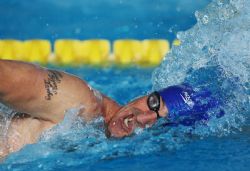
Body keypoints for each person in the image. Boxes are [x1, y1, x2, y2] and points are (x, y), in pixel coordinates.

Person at [0, 59, 223, 158]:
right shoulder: (80, 103)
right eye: (153, 103)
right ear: (146, 94)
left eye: (159, 122)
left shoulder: (91, 140)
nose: (140, 117)